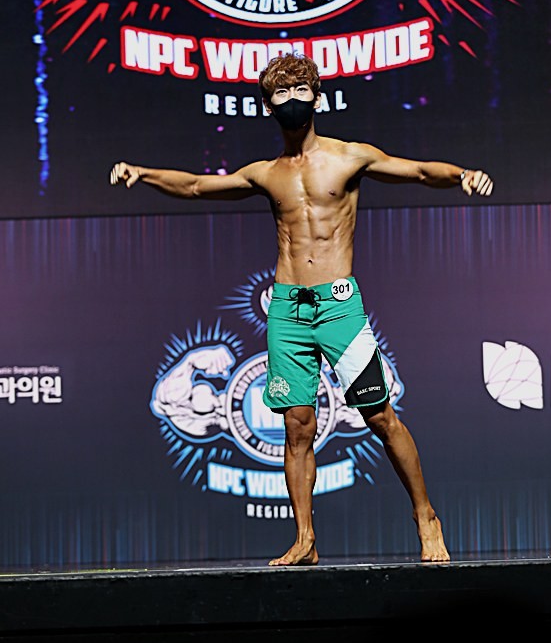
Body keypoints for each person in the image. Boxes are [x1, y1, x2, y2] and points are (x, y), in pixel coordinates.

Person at [110, 52, 493, 566]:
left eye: (299, 91)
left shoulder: (349, 157)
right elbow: (198, 185)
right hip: (288, 311)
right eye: (281, 94)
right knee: (296, 426)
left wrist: (462, 175)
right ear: (268, 106)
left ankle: (426, 517)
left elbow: (421, 171)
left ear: (316, 98)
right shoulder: (266, 173)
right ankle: (305, 539)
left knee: (380, 416)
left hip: (339, 307)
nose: (291, 100)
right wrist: (143, 173)